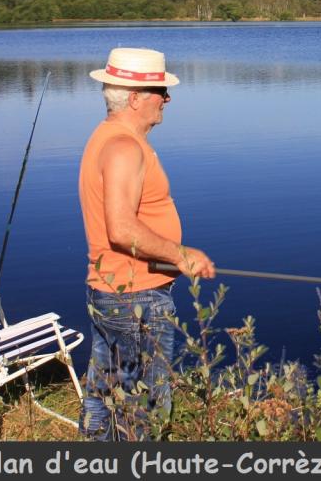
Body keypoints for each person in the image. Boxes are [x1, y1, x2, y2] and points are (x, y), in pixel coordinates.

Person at [77, 47, 215, 440]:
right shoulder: (123, 148)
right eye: (160, 92)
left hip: (112, 290)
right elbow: (121, 229)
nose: (167, 100)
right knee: (147, 406)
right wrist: (181, 255)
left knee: (103, 395)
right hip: (135, 296)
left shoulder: (107, 137)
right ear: (135, 98)